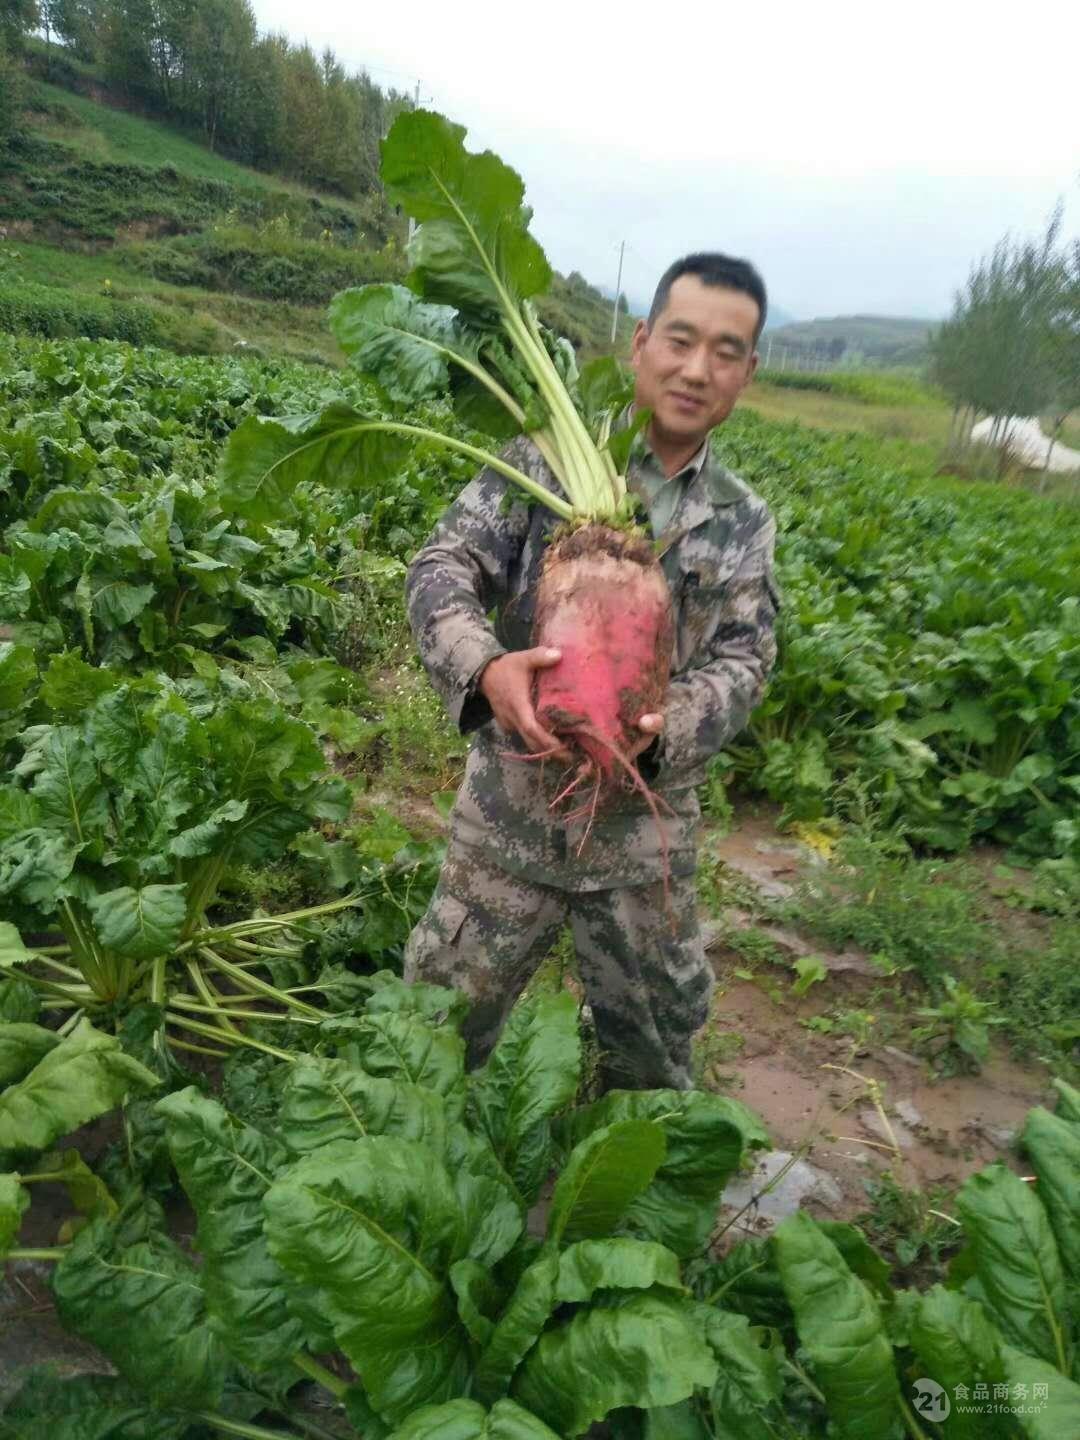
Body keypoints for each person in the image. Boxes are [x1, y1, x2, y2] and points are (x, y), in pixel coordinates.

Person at [403, 252, 780, 1090]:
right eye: (680, 340)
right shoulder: (539, 463)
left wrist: (664, 730)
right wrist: (488, 668)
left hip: (644, 846)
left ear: (748, 372)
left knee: (650, 1067)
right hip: (511, 819)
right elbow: (440, 569)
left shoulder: (743, 521)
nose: (696, 368)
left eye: (725, 351)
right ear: (642, 343)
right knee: (430, 1046)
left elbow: (747, 657)